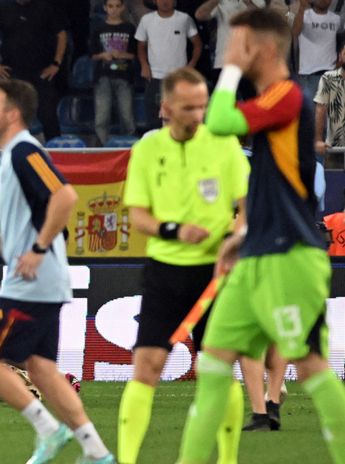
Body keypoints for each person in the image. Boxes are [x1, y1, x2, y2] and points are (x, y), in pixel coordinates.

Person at [177, 9, 345, 463]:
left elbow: (220, 121)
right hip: (257, 252)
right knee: (211, 363)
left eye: (240, 43)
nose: (231, 50)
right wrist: (245, 232)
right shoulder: (276, 99)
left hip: (291, 254)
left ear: (264, 50)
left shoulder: (289, 97)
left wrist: (229, 68)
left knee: (309, 365)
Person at [0, 79, 114, 464]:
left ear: (12, 114)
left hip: (30, 282)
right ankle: (97, 453)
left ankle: (49, 429)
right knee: (43, 369)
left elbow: (65, 197)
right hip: (40, 281)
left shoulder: (24, 152)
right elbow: (25, 222)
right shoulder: (12, 156)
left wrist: (38, 249)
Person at [117, 67, 249, 464]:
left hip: (216, 272)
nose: (198, 115)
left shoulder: (224, 145)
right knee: (147, 366)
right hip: (164, 270)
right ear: (166, 108)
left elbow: (247, 208)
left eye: (203, 106)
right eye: (189, 108)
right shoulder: (147, 149)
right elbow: (138, 215)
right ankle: (125, 459)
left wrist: (236, 238)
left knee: (219, 369)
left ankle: (227, 460)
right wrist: (173, 230)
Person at [0, 0, 67, 142]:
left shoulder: (44, 7)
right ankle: (0, 154)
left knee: (49, 115)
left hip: (41, 72)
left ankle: (56, 155)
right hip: (12, 73)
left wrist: (56, 63)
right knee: (8, 114)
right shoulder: (4, 8)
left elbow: (62, 35)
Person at [135, 0, 202, 129]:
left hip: (178, 78)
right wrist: (144, 65)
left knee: (181, 115)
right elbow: (141, 45)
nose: (165, 1)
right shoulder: (146, 20)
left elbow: (197, 44)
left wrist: (191, 65)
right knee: (154, 118)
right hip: (154, 76)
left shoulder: (184, 19)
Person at [90, 0, 137, 145]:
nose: (114, 9)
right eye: (110, 6)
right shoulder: (98, 28)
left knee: (127, 117)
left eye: (117, 6)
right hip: (103, 76)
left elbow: (135, 53)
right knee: (101, 118)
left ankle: (127, 148)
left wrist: (123, 55)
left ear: (122, 7)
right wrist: (103, 55)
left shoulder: (129, 28)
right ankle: (105, 148)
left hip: (124, 76)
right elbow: (92, 54)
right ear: (105, 8)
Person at [194, 0, 265, 85]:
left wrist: (247, 2)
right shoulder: (221, 3)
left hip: (250, 64)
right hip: (223, 61)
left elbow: (261, 20)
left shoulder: (258, 1)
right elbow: (199, 15)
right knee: (224, 98)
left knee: (252, 97)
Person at [293, 0, 341, 99]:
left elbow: (339, 41)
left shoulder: (337, 19)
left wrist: (339, 63)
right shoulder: (304, 16)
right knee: (310, 112)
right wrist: (302, 7)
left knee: (328, 113)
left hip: (330, 74)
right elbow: (294, 33)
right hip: (308, 74)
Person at [314, 40, 345, 158]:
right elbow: (320, 109)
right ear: (340, 56)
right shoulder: (328, 78)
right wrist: (317, 140)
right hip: (335, 148)